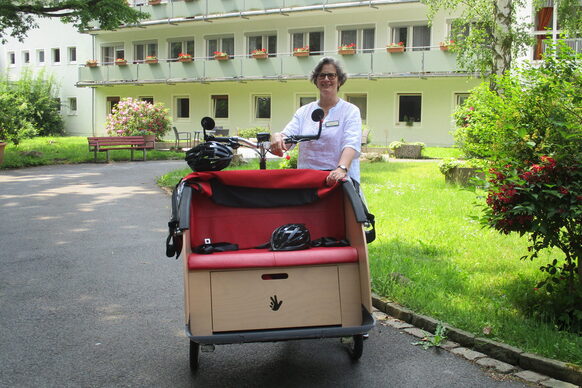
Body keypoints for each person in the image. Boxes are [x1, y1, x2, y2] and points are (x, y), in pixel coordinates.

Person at [270, 57, 362, 189]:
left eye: (331, 75)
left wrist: (341, 169)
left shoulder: (350, 111)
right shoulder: (303, 112)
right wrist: (277, 137)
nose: (326, 79)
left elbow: (351, 143)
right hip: (308, 180)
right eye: (321, 75)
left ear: (339, 80)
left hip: (338, 179)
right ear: (316, 80)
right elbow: (287, 138)